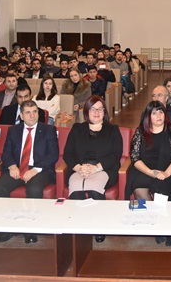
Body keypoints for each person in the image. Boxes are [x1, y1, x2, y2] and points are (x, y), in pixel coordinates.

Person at [0, 101, 59, 244]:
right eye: (28, 112)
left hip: (40, 170)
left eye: (34, 111)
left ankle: (30, 230)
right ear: (21, 115)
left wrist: (35, 170)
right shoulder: (13, 130)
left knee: (34, 188)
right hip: (18, 168)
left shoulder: (48, 130)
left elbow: (53, 155)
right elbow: (6, 153)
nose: (32, 115)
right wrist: (11, 166)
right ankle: (7, 229)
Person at [63, 96, 122, 242]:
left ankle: (99, 226)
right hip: (80, 168)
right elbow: (67, 153)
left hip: (103, 168)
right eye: (93, 109)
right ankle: (82, 225)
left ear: (104, 111)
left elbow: (116, 154)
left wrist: (96, 168)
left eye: (100, 109)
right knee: (76, 190)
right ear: (87, 111)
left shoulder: (112, 129)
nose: (96, 112)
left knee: (95, 189)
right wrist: (79, 168)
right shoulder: (77, 128)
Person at [126, 101, 171, 246]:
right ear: (148, 116)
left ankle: (168, 227)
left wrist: (165, 173)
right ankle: (157, 224)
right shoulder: (140, 132)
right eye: (154, 113)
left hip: (168, 170)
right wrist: (150, 172)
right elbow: (134, 157)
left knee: (161, 188)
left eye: (161, 112)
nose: (158, 115)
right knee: (138, 187)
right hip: (144, 169)